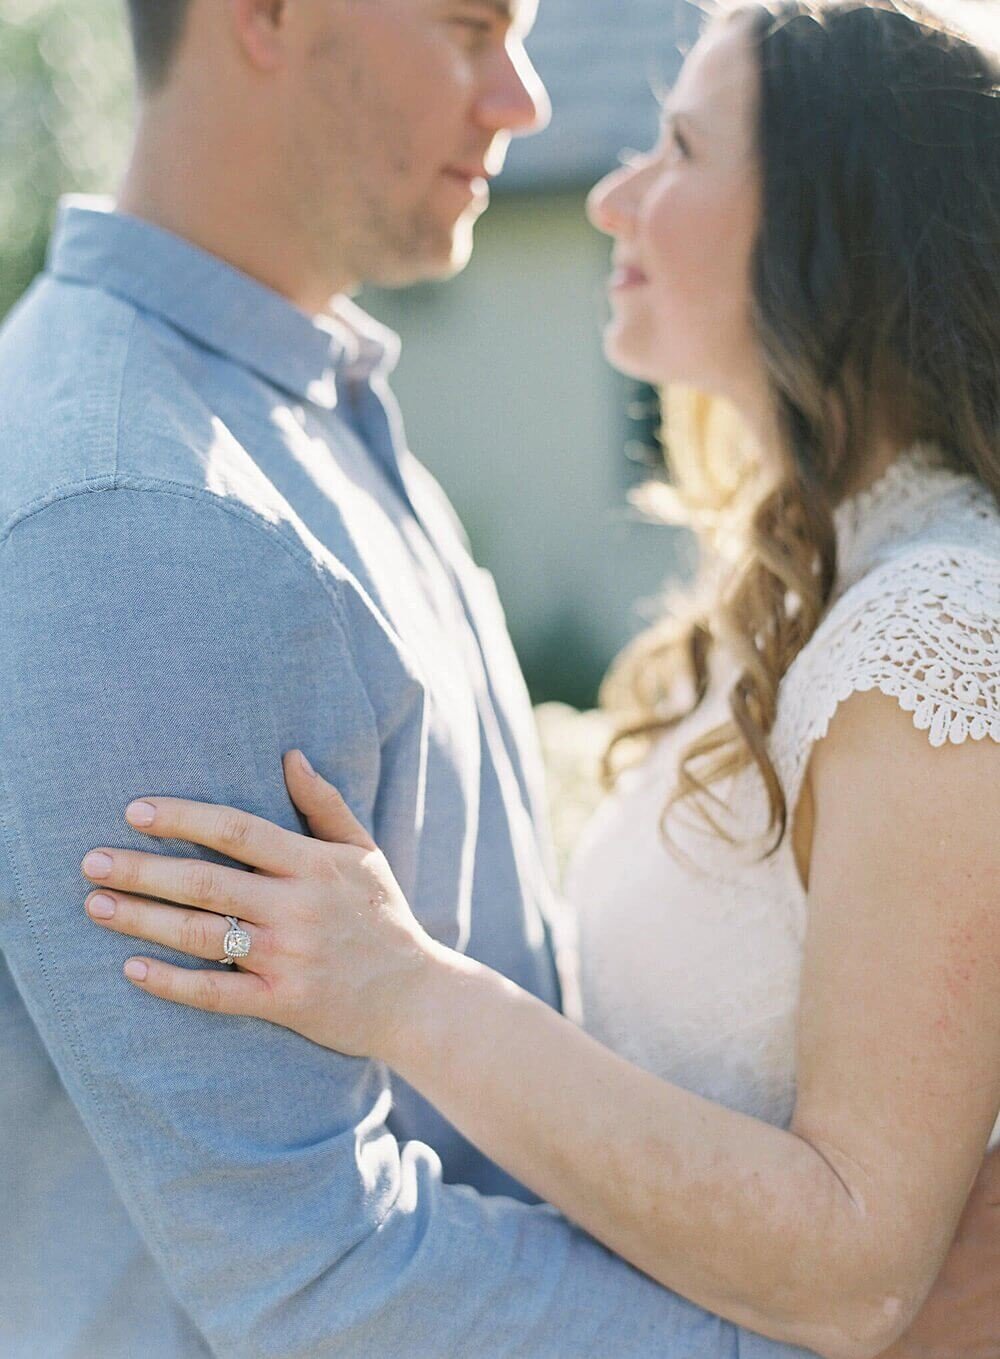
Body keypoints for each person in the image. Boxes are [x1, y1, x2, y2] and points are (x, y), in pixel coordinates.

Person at [67, 0, 1000, 1356]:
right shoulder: (824, 580)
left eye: (678, 148)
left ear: (829, 232)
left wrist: (405, 992)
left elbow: (861, 1264)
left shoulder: (939, 637)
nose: (617, 194)